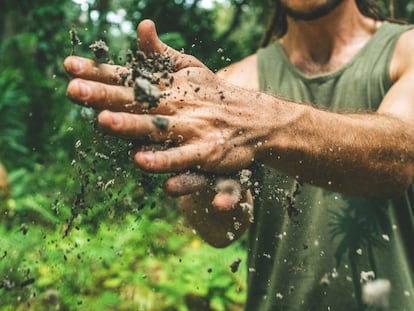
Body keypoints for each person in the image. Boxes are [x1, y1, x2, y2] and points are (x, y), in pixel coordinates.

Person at [64, 0, 414, 310]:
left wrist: (264, 124)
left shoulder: (406, 49)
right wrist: (207, 179)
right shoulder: (233, 85)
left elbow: (401, 157)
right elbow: (219, 233)